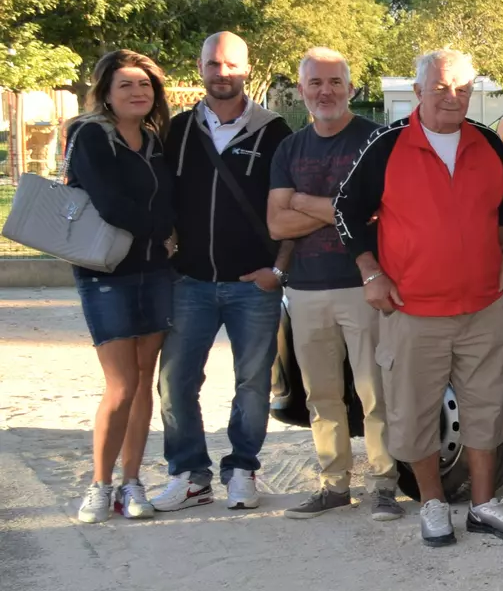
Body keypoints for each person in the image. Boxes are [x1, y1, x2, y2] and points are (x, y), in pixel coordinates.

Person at [333, 48, 503, 548]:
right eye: (441, 88)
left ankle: (484, 506)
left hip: (483, 306)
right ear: (418, 91)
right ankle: (433, 504)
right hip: (412, 309)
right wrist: (370, 273)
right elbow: (345, 210)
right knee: (415, 412)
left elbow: (502, 212)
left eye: (463, 89)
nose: (452, 97)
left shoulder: (487, 141)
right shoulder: (388, 142)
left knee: (487, 409)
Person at [156, 31, 293, 512]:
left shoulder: (276, 133)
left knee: (252, 384)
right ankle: (190, 474)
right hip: (188, 281)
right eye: (213, 64)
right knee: (175, 383)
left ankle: (242, 469)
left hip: (252, 284)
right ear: (200, 69)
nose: (222, 73)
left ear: (247, 70)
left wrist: (277, 268)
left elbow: (289, 209)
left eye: (231, 65)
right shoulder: (175, 130)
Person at [266, 49, 399, 521]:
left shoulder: (377, 141)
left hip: (364, 284)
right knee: (321, 395)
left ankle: (384, 485)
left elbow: (383, 213)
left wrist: (304, 201)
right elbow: (278, 223)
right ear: (302, 90)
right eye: (316, 83)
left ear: (351, 87)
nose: (326, 91)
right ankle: (333, 484)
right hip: (305, 289)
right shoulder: (290, 148)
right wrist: (344, 209)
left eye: (335, 82)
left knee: (375, 392)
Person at [66, 50, 176, 523]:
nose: (137, 92)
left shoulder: (154, 140)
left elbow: (170, 199)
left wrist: (164, 232)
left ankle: (132, 483)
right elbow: (109, 203)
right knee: (121, 384)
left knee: (143, 382)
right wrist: (162, 230)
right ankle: (99, 484)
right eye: (127, 84)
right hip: (105, 273)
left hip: (155, 274)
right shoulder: (89, 133)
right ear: (106, 91)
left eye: (145, 85)